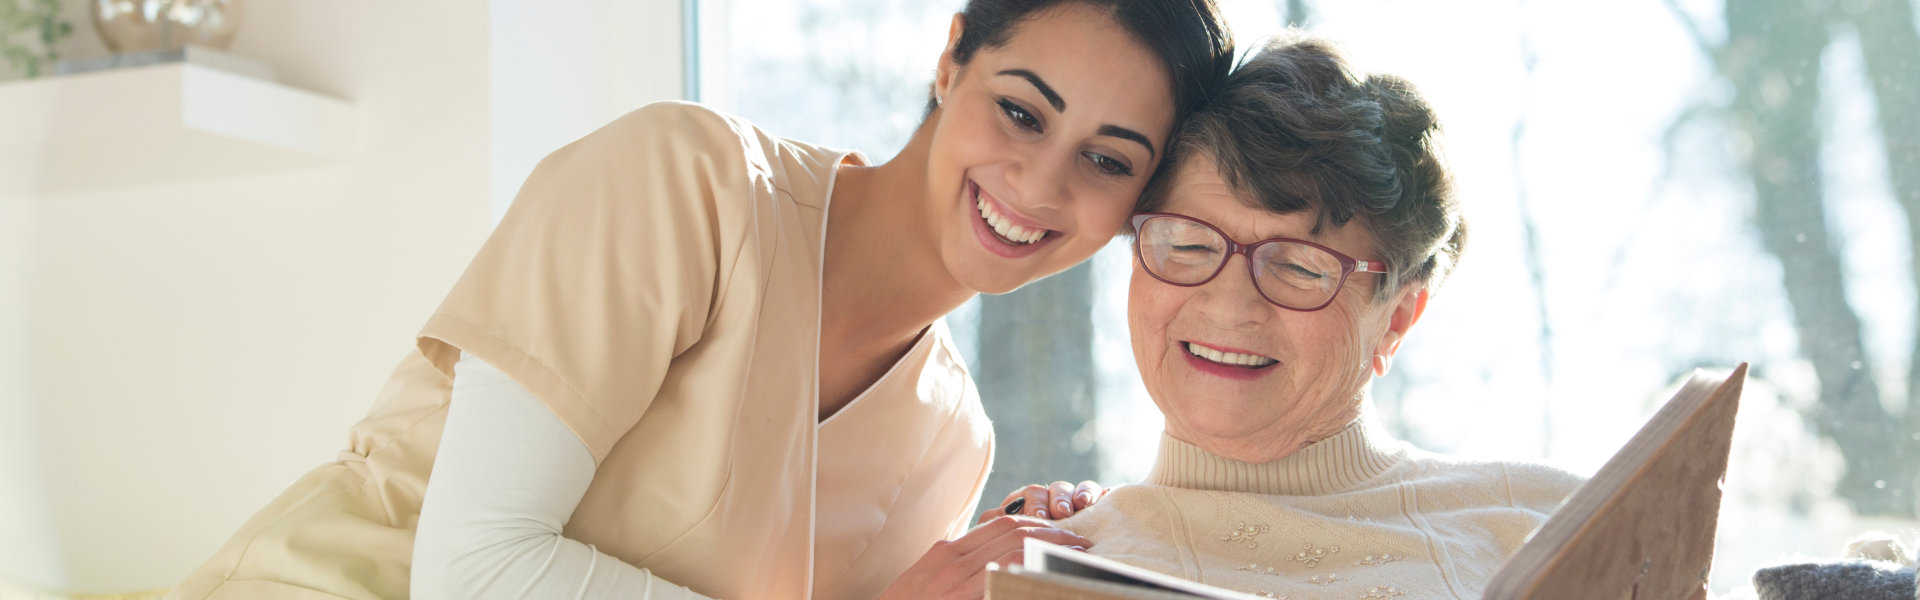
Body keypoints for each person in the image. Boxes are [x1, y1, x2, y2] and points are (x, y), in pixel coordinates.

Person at [166, 2, 1234, 599]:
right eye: (1020, 110)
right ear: (951, 56)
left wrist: (985, 573)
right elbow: (476, 568)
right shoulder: (688, 185)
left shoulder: (951, 443)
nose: (1042, 186)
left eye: (1107, 160)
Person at [1042, 34, 1587, 599]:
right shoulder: (1047, 558)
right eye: (1187, 246)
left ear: (1397, 318)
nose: (1228, 306)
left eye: (1301, 267)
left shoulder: (1558, 522)